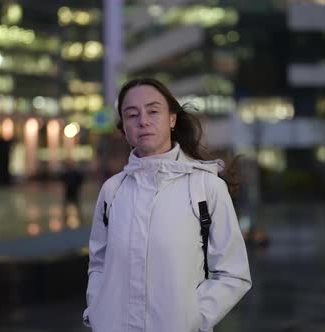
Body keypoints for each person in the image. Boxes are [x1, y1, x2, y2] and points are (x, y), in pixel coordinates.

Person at [83, 78, 251, 332]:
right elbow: (98, 264)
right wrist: (97, 312)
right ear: (124, 128)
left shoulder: (206, 187)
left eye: (153, 111)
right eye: (132, 114)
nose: (143, 121)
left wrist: (193, 319)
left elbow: (233, 273)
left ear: (172, 119)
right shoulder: (112, 191)